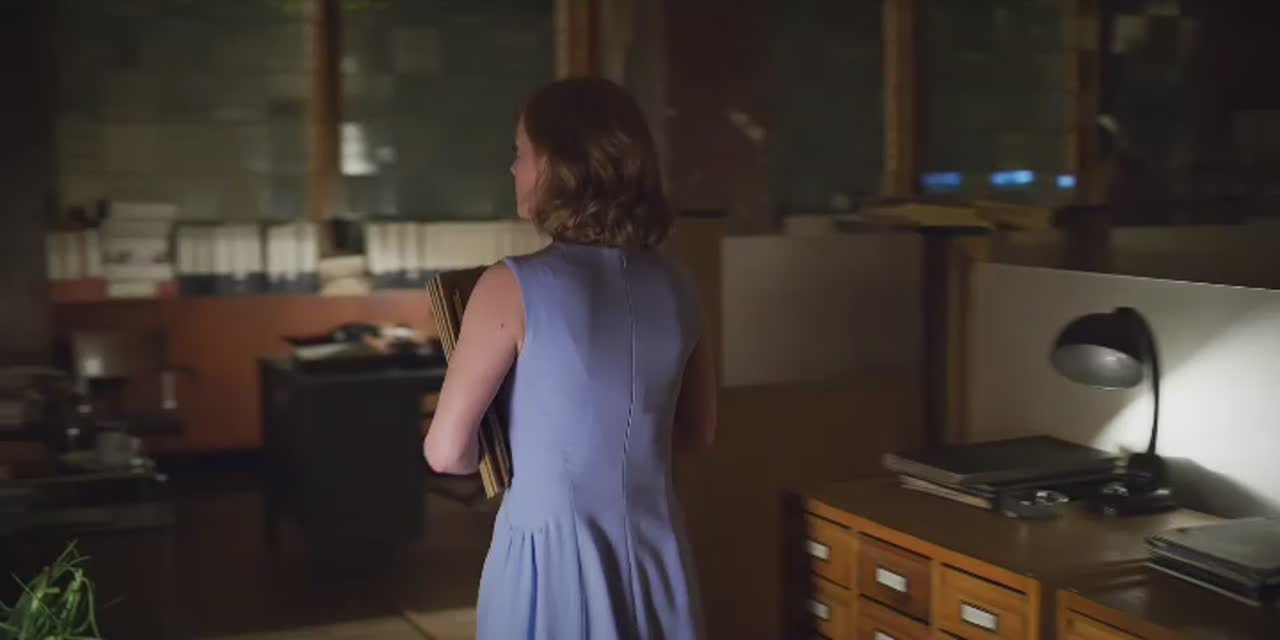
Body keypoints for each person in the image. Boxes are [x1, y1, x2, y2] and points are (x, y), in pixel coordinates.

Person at [422, 77, 718, 640]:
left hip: (552, 561)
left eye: (521, 151)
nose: (514, 168)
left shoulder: (511, 286)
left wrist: (503, 452)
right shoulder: (679, 284)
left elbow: (446, 452)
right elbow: (696, 434)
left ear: (558, 165)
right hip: (657, 552)